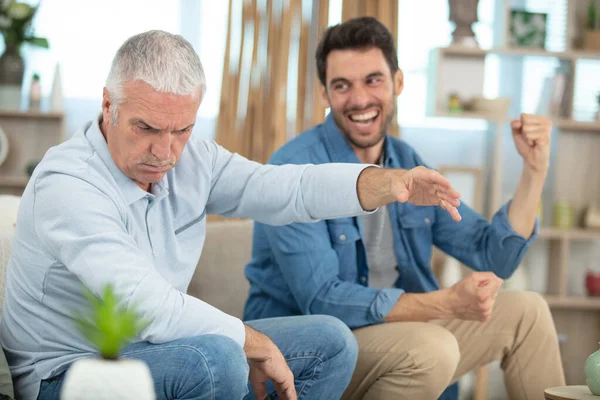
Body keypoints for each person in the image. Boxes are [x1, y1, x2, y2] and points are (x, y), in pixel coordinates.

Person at [0, 30, 463, 400]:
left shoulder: (193, 160)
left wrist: (388, 183)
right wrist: (252, 341)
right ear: (108, 105)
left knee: (332, 341)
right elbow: (143, 306)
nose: (164, 152)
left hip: (162, 350)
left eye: (181, 129)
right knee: (216, 359)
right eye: (146, 128)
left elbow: (286, 188)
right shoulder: (68, 180)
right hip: (68, 374)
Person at [244, 16, 566, 400]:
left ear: (397, 82)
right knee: (431, 346)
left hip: (402, 335)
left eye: (373, 80)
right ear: (325, 94)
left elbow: (493, 254)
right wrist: (445, 303)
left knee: (528, 311)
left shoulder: (406, 159)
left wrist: (534, 170)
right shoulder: (292, 169)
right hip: (311, 351)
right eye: (342, 85)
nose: (360, 99)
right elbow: (322, 299)